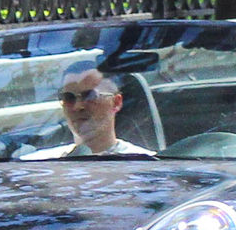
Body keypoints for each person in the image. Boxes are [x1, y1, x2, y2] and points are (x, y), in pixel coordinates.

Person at [19, 62, 153, 158]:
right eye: (69, 98)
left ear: (116, 103)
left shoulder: (146, 165)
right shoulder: (38, 165)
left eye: (89, 96)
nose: (78, 106)